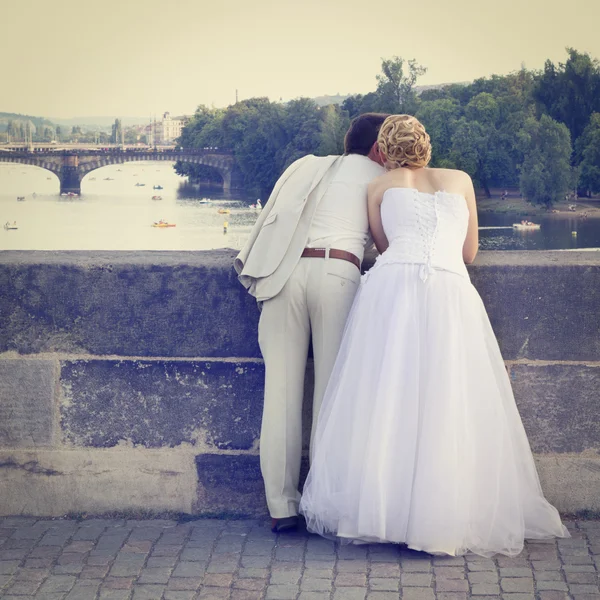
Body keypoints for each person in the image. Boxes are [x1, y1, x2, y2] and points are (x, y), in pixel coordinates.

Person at [299, 115, 569, 557]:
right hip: (449, 289)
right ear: (426, 143)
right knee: (448, 396)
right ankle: (442, 512)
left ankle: (385, 509)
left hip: (392, 291)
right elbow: (468, 252)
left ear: (384, 150)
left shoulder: (379, 188)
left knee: (389, 395)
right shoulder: (460, 180)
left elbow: (384, 246)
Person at [235, 113, 389, 533]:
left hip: (285, 272)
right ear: (378, 149)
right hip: (338, 274)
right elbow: (390, 242)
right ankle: (324, 505)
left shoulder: (307, 167)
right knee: (332, 395)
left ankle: (282, 508)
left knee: (280, 396)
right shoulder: (382, 179)